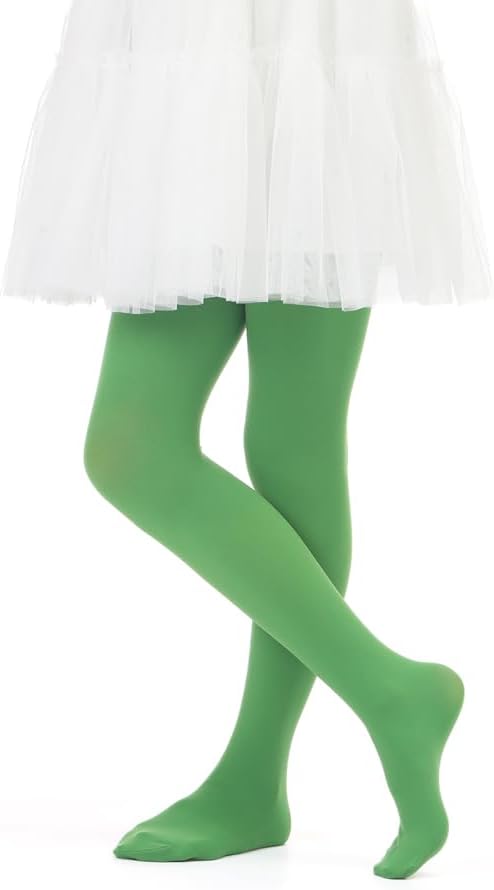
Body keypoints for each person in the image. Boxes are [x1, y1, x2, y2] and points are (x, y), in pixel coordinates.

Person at [1, 1, 492, 879]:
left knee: (293, 442)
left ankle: (255, 776)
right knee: (130, 449)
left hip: (317, 35)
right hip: (177, 44)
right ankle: (388, 692)